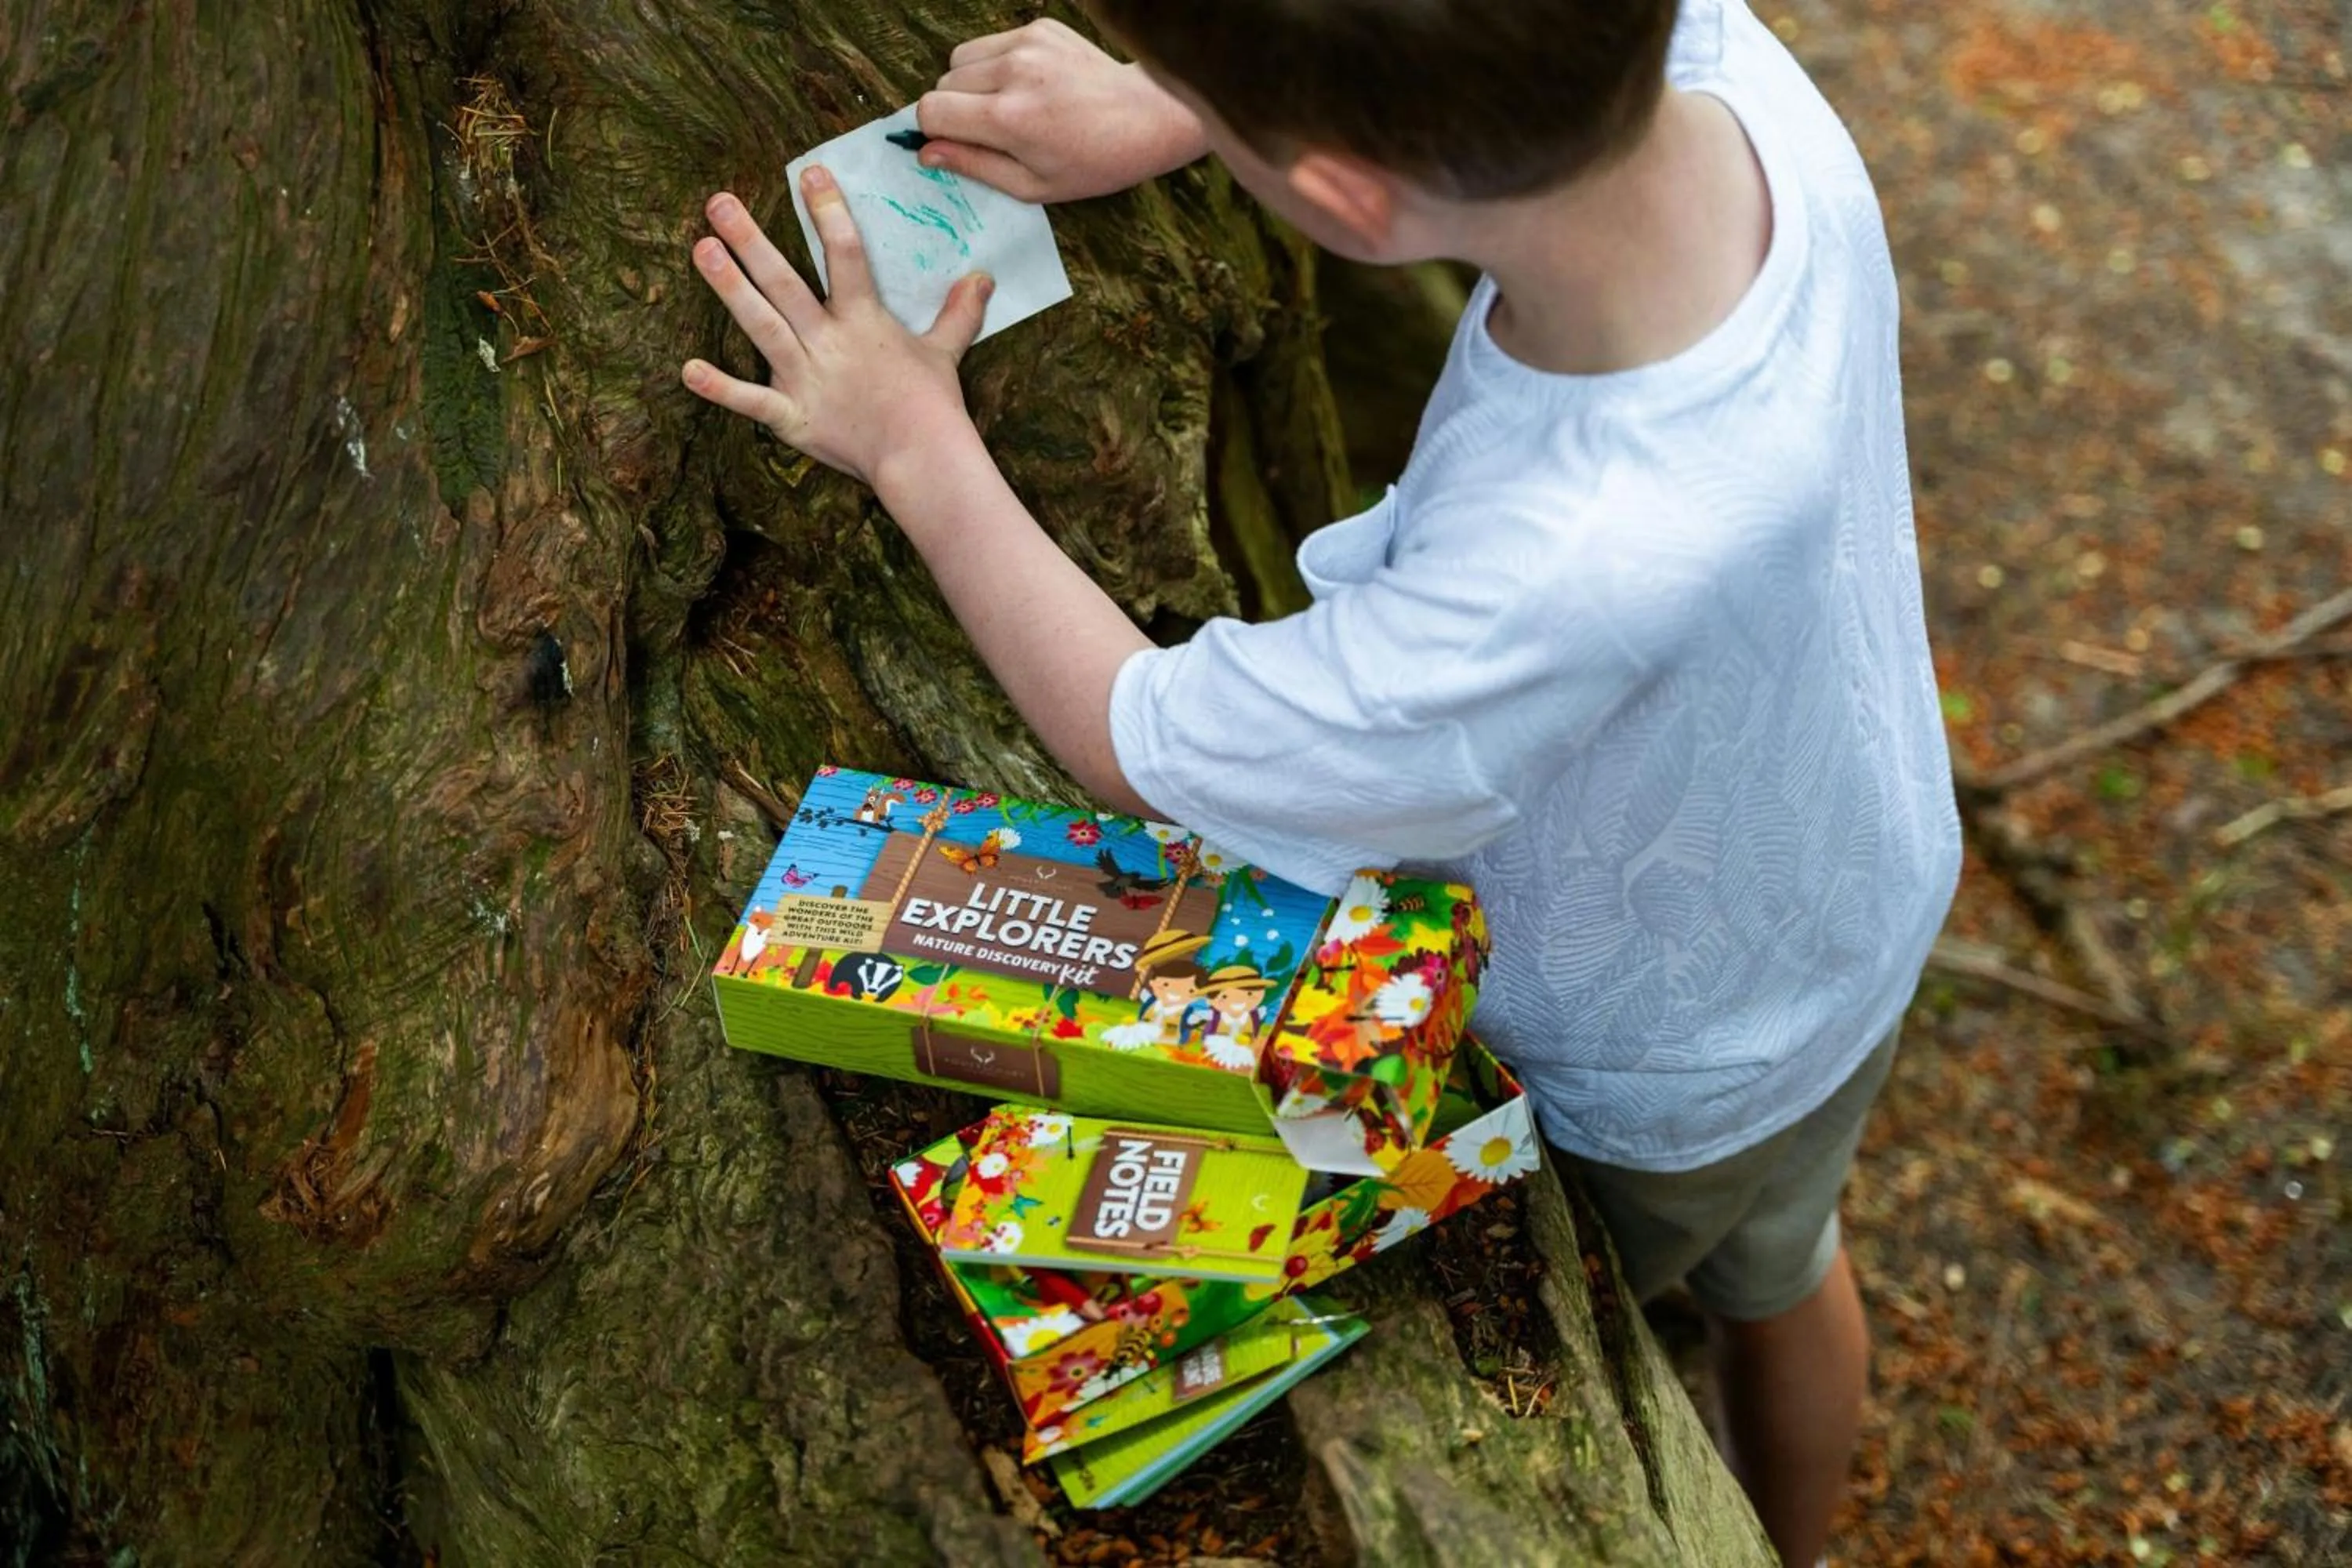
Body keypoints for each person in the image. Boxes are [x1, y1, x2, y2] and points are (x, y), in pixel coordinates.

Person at [677, 3, 1962, 1561]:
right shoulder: (1723, 74)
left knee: (1625, 1297)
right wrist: (1175, 105)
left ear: (1347, 194)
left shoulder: (1548, 572)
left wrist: (911, 442)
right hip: (1853, 889)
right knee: (1790, 1268)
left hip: (1653, 1061)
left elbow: (1138, 732)